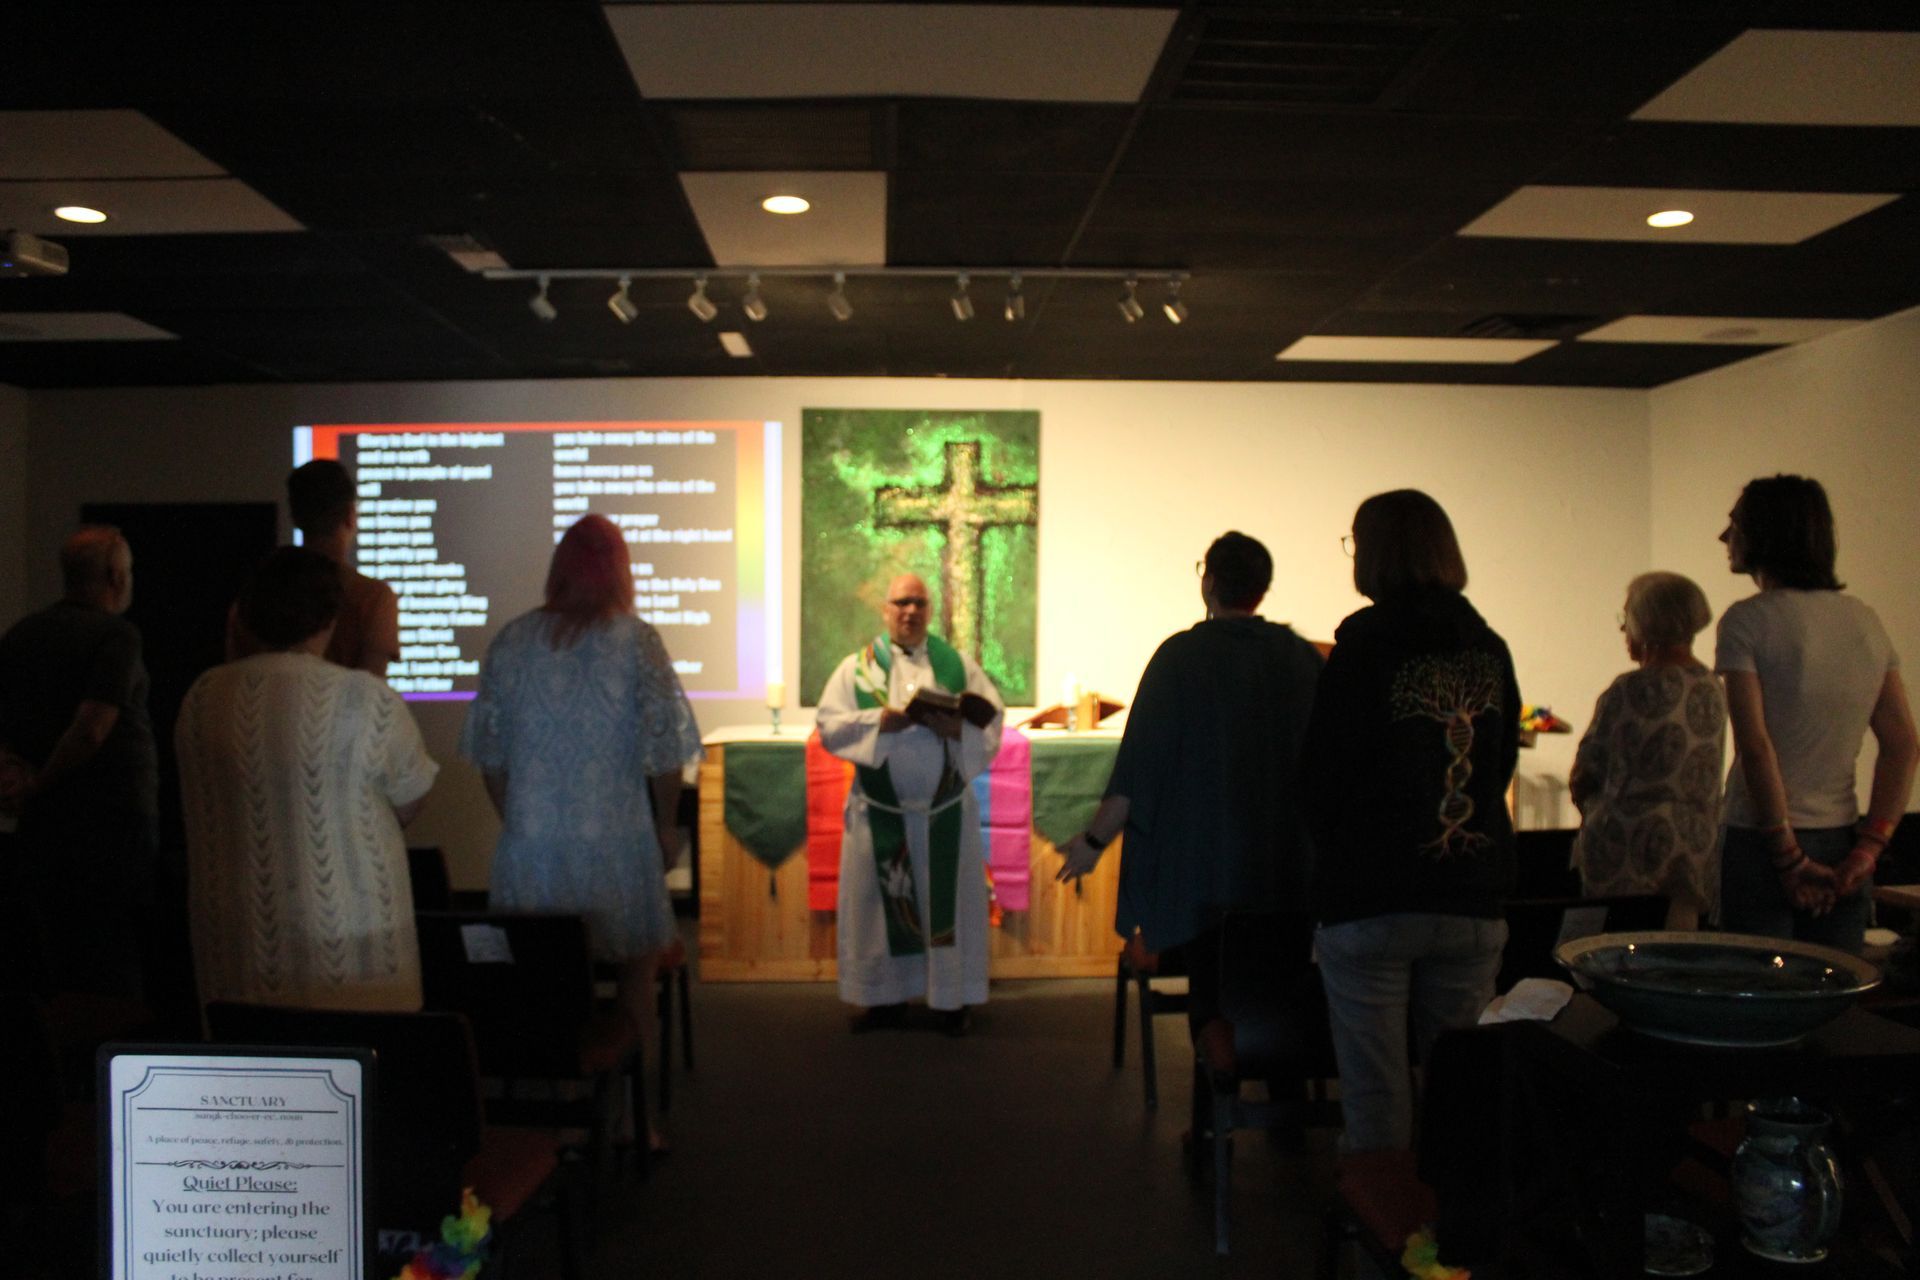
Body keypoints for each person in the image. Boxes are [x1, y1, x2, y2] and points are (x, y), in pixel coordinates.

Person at [460, 514, 702, 1150]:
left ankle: (563, 1118)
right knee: (632, 983)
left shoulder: (511, 641)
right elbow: (665, 753)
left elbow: (490, 757)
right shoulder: (637, 641)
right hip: (616, 844)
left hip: (533, 851)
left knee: (544, 991)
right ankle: (637, 1122)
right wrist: (664, 829)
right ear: (621, 572)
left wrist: (520, 823)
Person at [1302, 490, 1519, 1153]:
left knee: (1375, 1093)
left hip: (1373, 895)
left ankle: (1388, 1240)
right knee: (1460, 1088)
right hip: (1470, 890)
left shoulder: (1362, 651)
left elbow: (1322, 776)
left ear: (1373, 556)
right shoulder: (1487, 648)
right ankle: (1459, 1233)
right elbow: (1500, 762)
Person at [1058, 531, 1322, 1037]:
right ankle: (1286, 1096)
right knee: (1282, 994)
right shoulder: (1300, 658)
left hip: (1205, 878)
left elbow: (1138, 769)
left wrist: (1093, 842)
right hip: (1284, 870)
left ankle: (1214, 1105)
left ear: (1209, 582)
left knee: (1214, 996)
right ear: (1262, 588)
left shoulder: (1179, 658)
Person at [178, 546, 438, 1011]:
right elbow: (410, 801)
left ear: (245, 613)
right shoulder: (366, 700)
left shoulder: (202, 697)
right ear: (329, 618)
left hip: (238, 961)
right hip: (360, 963)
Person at [1715, 475, 1917, 954]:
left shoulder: (1747, 620)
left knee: (1759, 999)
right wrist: (1870, 848)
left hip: (1761, 838)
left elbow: (1757, 748)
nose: (1725, 538)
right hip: (1842, 839)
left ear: (1767, 534)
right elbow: (1903, 744)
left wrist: (1786, 855)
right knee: (1835, 999)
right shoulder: (1863, 619)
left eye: (1735, 525)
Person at [816, 571, 1005, 1035]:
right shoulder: (856, 670)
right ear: (885, 609)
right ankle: (884, 999)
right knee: (879, 912)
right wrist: (881, 722)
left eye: (919, 603)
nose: (911, 611)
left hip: (941, 813)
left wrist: (956, 728)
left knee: (949, 908)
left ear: (929, 610)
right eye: (902, 602)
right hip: (882, 816)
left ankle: (951, 999)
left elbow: (991, 723)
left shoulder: (958, 666)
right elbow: (830, 725)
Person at [0, 526, 159, 999]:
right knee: (118, 961)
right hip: (113, 823)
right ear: (115, 575)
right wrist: (43, 781)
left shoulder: (20, 635)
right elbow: (92, 726)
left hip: (43, 828)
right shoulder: (117, 635)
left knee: (56, 963)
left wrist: (19, 783)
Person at [1569, 572, 1726, 930]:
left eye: (1627, 618)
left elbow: (1584, 775)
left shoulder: (1629, 689)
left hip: (1626, 855)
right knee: (1676, 964)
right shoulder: (1711, 686)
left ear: (1647, 623)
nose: (1624, 630)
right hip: (1692, 855)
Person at [229, 458, 400, 676]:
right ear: (350, 516)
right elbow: (372, 695)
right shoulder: (374, 599)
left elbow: (236, 678)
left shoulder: (253, 596)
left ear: (296, 518)